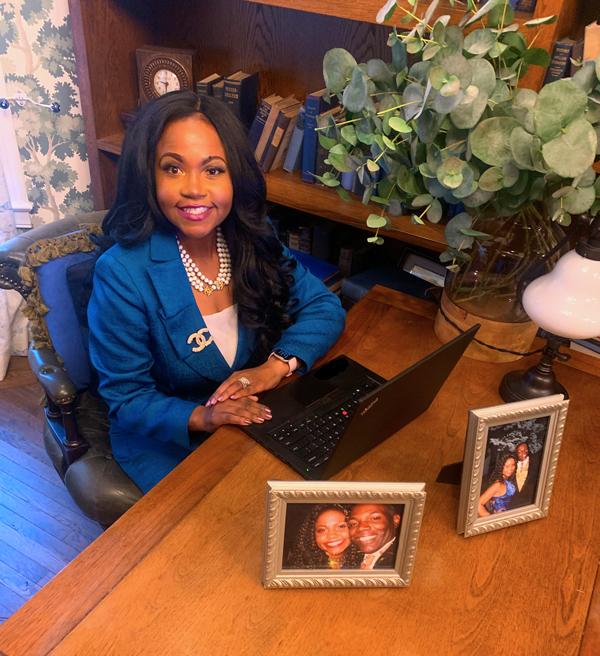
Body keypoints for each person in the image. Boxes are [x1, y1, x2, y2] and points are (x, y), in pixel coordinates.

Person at [87, 91, 345, 493]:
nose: (194, 189)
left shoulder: (252, 238)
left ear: (234, 177)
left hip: (252, 419)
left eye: (213, 170)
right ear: (147, 176)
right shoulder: (121, 273)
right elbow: (127, 398)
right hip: (172, 440)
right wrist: (205, 418)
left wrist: (274, 368)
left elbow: (324, 307)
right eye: (173, 169)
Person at [286, 505, 362, 569]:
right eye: (322, 530)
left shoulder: (368, 564)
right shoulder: (302, 568)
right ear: (312, 536)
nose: (332, 535)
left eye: (341, 526)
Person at [348, 503, 401, 569]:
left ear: (395, 520)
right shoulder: (349, 558)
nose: (361, 527)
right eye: (353, 523)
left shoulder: (402, 561)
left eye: (375, 518)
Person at [511, 440, 540, 509]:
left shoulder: (536, 462)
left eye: (525, 450)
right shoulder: (513, 463)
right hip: (514, 502)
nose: (523, 452)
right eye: (519, 451)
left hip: (530, 501)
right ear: (516, 452)